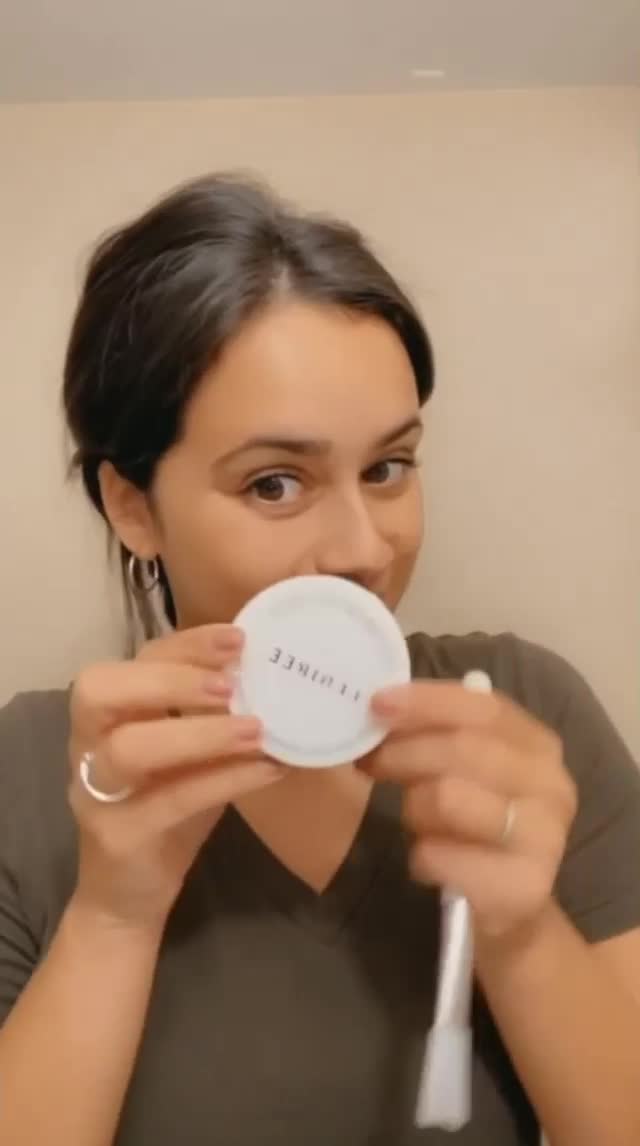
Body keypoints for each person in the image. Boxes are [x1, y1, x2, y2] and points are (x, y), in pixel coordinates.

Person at [0, 174, 639, 1146]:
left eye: (387, 467)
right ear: (132, 505)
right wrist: (114, 915)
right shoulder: (26, 770)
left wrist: (520, 932)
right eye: (273, 483)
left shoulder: (516, 710)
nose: (363, 548)